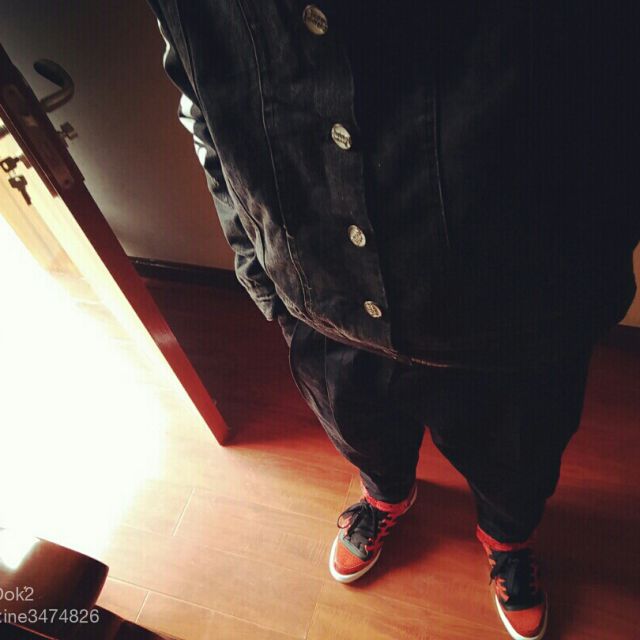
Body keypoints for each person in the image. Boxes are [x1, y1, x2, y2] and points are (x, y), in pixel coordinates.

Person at [146, 2, 639, 638]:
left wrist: (580, 301)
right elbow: (202, 111)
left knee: (517, 463)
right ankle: (385, 495)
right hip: (323, 302)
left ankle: (507, 538)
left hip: (508, 317)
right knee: (360, 432)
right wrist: (257, 267)